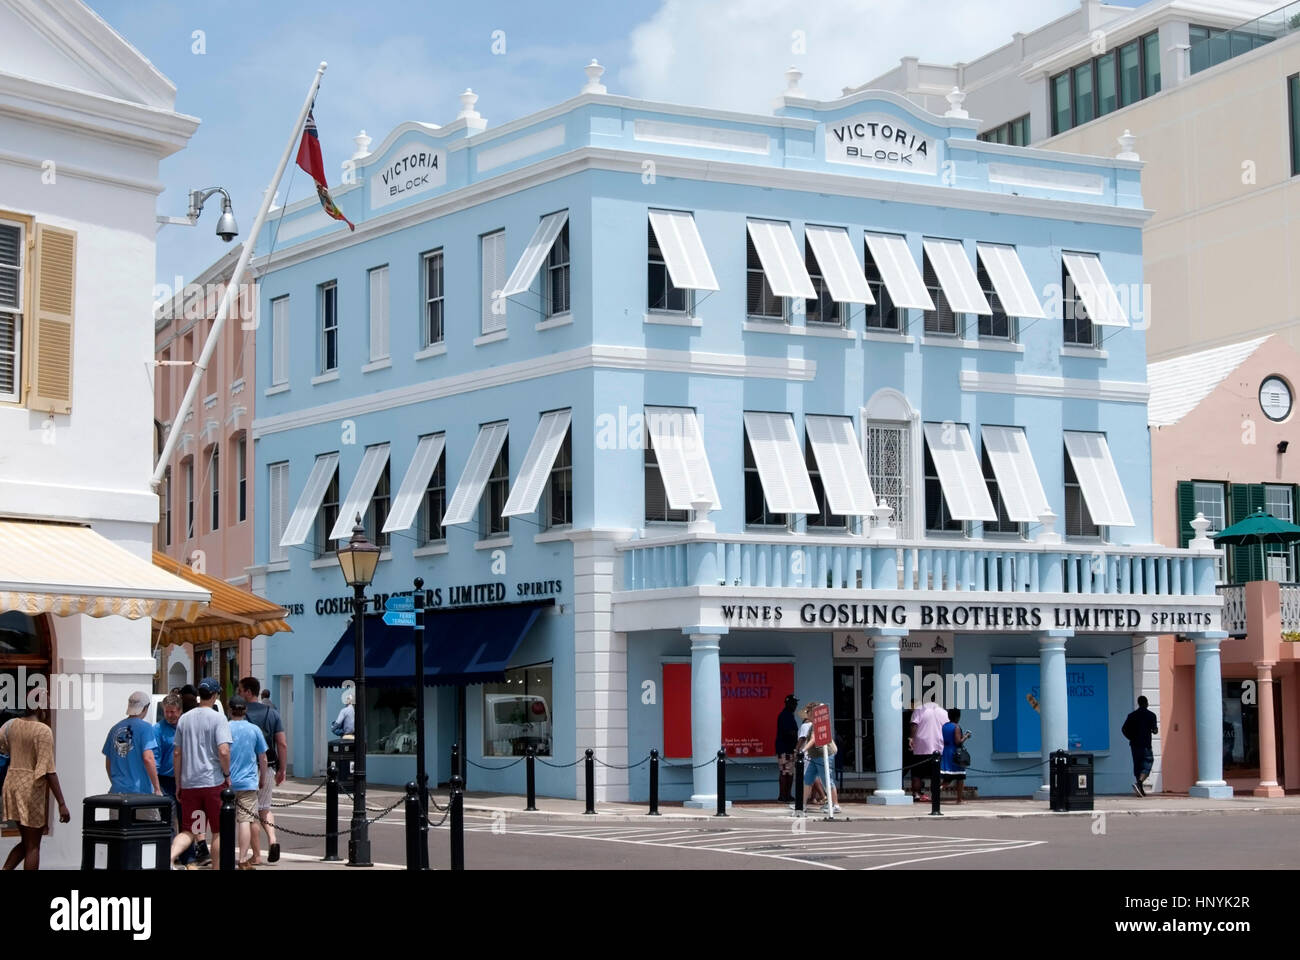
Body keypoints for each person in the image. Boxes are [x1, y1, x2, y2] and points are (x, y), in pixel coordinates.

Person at [170, 677, 233, 869]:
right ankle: (216, 868)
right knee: (217, 830)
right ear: (214, 696)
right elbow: (223, 750)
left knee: (191, 829)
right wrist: (227, 774)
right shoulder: (218, 718)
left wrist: (179, 783)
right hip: (213, 783)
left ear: (199, 695)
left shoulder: (185, 719)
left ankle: (168, 857)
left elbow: (177, 752)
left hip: (190, 784)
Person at [0, 705, 70, 870]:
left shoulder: (11, 725)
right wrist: (61, 804)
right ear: (40, 708)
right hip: (31, 790)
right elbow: (49, 770)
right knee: (33, 846)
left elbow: (2, 746)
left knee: (27, 842)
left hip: (11, 785)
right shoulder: (43, 731)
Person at [239, 675, 287, 864]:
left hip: (247, 769)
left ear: (248, 692)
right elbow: (281, 743)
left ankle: (257, 855)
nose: (239, 694)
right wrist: (282, 768)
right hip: (269, 768)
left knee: (250, 813)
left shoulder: (239, 714)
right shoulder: (272, 713)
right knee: (265, 807)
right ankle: (273, 840)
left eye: (241, 690)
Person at [227, 696, 269, 869]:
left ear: (230, 710)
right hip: (248, 782)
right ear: (245, 711)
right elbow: (263, 757)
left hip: (226, 782)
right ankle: (243, 858)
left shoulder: (225, 728)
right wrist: (262, 778)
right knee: (245, 820)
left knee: (225, 821)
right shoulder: (254, 730)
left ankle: (225, 855)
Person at [102, 691, 162, 796]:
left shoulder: (114, 729)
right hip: (140, 793)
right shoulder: (146, 728)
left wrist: (117, 785)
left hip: (117, 793)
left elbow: (108, 763)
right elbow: (148, 758)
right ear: (145, 708)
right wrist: (157, 788)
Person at [797, 703, 839, 813]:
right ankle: (803, 805)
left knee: (827, 780)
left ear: (813, 712)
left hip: (822, 756)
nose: (806, 714)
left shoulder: (818, 724)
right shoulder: (812, 724)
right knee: (808, 779)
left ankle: (836, 805)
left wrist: (803, 750)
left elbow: (813, 739)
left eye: (808, 712)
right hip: (814, 756)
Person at [909, 698, 949, 802]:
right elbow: (947, 728)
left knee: (917, 774)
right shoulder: (944, 712)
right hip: (937, 747)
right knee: (935, 774)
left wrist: (911, 738)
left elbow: (914, 724)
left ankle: (916, 794)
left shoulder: (919, 709)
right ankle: (935, 795)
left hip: (920, 747)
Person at [1122, 695, 1159, 797]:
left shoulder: (1131, 715)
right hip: (1146, 745)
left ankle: (1140, 789)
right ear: (1146, 703)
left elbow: (1124, 729)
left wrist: (1131, 738)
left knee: (1137, 765)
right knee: (1147, 763)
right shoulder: (1151, 715)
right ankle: (1139, 783)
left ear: (1138, 703)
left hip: (1134, 745)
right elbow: (1155, 730)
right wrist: (1153, 730)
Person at [940, 707, 972, 804]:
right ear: (958, 717)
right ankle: (959, 799)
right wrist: (966, 736)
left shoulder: (944, 726)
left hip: (946, 751)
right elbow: (958, 742)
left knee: (948, 777)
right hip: (955, 753)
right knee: (960, 777)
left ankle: (938, 789)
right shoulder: (956, 727)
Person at [774, 694, 799, 803]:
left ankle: (788, 795)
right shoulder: (785, 715)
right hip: (784, 748)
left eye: (796, 703)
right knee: (784, 772)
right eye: (794, 703)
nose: (796, 705)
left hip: (790, 748)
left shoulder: (790, 715)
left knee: (790, 772)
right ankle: (782, 795)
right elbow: (789, 732)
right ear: (788, 703)